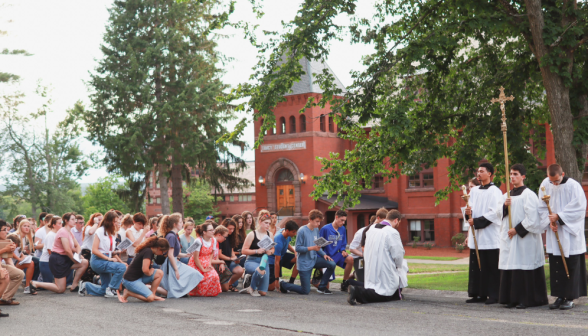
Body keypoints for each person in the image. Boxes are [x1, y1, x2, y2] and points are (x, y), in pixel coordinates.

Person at [498, 164, 548, 309]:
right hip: (509, 238)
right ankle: (511, 298)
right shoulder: (506, 195)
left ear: (523, 176)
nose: (512, 177)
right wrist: (504, 207)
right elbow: (497, 215)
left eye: (515, 174)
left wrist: (517, 229)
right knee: (511, 267)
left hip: (524, 238)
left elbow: (533, 218)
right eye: (511, 174)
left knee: (523, 267)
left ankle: (526, 300)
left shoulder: (529, 195)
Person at [538, 163, 587, 310]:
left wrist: (558, 217)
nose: (554, 184)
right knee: (557, 265)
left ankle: (570, 297)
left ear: (563, 174)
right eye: (551, 181)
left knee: (571, 265)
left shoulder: (574, 186)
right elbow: (541, 207)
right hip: (555, 232)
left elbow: (578, 208)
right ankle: (559, 295)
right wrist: (549, 221)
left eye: (556, 181)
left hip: (569, 232)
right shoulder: (545, 184)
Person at [347, 210, 407, 305]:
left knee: (375, 287)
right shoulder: (392, 232)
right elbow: (398, 254)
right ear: (396, 220)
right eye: (398, 223)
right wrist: (399, 266)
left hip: (371, 265)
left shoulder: (372, 228)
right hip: (385, 266)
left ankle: (354, 286)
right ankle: (357, 291)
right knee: (384, 294)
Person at [464, 163, 503, 305]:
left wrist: (477, 221)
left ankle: (494, 294)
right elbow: (470, 208)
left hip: (489, 235)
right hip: (476, 234)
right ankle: (478, 293)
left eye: (481, 171)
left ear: (490, 173)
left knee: (491, 266)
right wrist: (468, 214)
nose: (478, 173)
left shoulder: (495, 191)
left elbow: (495, 212)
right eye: (477, 171)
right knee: (477, 265)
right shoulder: (474, 191)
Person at [280, 210, 336, 295]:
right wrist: (312, 248)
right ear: (310, 219)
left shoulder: (316, 229)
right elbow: (298, 248)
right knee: (305, 291)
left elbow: (317, 246)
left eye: (319, 222)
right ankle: (284, 285)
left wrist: (324, 255)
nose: (318, 224)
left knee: (332, 264)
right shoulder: (302, 230)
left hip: (314, 259)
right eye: (317, 221)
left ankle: (322, 287)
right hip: (304, 263)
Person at [31, 213, 89, 294]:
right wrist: (75, 260)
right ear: (66, 221)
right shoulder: (63, 231)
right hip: (58, 260)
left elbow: (77, 246)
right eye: (72, 219)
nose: (74, 221)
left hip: (65, 258)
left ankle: (74, 285)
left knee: (84, 262)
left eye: (75, 219)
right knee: (60, 289)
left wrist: (79, 255)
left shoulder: (69, 232)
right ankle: (35, 283)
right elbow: (67, 250)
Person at [79, 210, 127, 298]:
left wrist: (117, 252)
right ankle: (112, 289)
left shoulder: (113, 233)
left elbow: (109, 251)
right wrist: (109, 259)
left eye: (117, 222)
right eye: (115, 222)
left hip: (106, 260)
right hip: (97, 261)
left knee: (103, 290)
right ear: (108, 221)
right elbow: (94, 250)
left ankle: (85, 286)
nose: (117, 224)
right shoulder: (100, 231)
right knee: (122, 267)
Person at [159, 214, 203, 298]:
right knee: (193, 274)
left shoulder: (173, 235)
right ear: (175, 224)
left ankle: (180, 292)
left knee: (194, 273)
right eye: (180, 222)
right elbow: (170, 255)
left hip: (172, 261)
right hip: (171, 263)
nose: (182, 224)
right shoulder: (171, 236)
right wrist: (176, 270)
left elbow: (175, 253)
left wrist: (186, 255)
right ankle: (150, 288)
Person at [118, 236, 168, 303]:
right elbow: (145, 270)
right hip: (130, 280)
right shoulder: (148, 251)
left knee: (159, 273)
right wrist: (150, 272)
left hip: (138, 277)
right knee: (150, 298)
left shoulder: (150, 251)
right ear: (159, 248)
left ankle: (152, 294)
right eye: (163, 252)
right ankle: (129, 293)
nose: (162, 254)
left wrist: (151, 270)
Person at [350, 208, 388, 285]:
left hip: (374, 258)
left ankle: (356, 273)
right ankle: (350, 280)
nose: (385, 224)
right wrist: (364, 255)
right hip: (360, 258)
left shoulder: (383, 232)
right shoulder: (361, 232)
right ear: (378, 218)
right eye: (384, 221)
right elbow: (352, 248)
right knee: (363, 283)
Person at [320, 210, 353, 291]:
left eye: (344, 221)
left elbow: (343, 243)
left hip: (337, 255)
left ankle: (344, 283)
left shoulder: (342, 229)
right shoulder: (325, 229)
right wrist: (323, 255)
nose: (343, 222)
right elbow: (319, 245)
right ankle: (312, 281)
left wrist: (343, 250)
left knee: (350, 259)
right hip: (326, 256)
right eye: (342, 220)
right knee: (326, 287)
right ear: (336, 217)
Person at [189, 223, 222, 297]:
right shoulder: (198, 241)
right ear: (204, 232)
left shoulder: (213, 240)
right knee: (201, 277)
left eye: (213, 229)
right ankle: (198, 293)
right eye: (210, 230)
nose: (213, 231)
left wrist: (209, 264)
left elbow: (211, 254)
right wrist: (202, 269)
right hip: (197, 262)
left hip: (207, 261)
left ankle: (208, 293)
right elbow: (195, 257)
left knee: (215, 276)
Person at [0, 220, 25, 306]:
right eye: (5, 229)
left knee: (19, 273)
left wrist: (11, 251)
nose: (7, 232)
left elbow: (7, 259)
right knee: (5, 276)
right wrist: (5, 250)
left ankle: (5, 298)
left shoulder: (5, 241)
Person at [269, 220, 298, 291]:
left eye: (295, 231)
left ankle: (291, 282)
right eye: (293, 232)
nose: (295, 233)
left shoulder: (284, 232)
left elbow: (287, 244)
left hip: (282, 255)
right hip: (273, 260)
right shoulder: (278, 241)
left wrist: (295, 251)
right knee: (271, 288)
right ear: (287, 230)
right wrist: (276, 280)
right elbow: (276, 262)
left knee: (299, 259)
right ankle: (253, 278)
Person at [12, 218, 40, 290]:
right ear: (20, 227)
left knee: (35, 261)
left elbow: (19, 251)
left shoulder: (25, 237)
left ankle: (29, 285)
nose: (27, 228)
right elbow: (10, 252)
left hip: (17, 260)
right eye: (25, 226)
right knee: (31, 263)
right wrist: (19, 258)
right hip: (11, 262)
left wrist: (23, 255)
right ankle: (28, 285)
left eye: (28, 226)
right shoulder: (15, 236)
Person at [215, 221, 243, 292]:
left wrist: (235, 258)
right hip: (224, 260)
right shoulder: (220, 238)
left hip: (230, 261)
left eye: (233, 229)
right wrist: (230, 259)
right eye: (230, 229)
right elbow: (219, 254)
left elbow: (232, 251)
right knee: (225, 289)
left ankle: (229, 284)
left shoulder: (231, 237)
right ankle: (224, 284)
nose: (232, 231)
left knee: (240, 270)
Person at [212, 225, 236, 292]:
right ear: (219, 235)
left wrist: (221, 263)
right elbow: (209, 258)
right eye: (225, 237)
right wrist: (221, 262)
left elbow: (217, 257)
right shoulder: (212, 242)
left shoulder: (217, 243)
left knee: (225, 288)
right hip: (210, 264)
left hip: (215, 262)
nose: (225, 239)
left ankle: (218, 283)